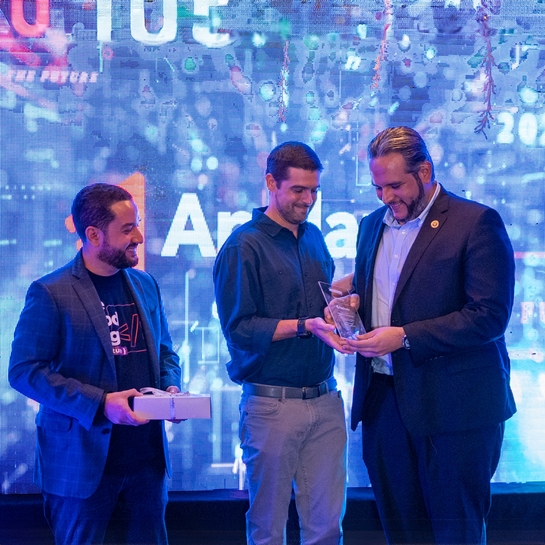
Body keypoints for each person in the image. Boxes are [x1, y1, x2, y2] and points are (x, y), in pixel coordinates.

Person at [340, 126, 516, 544]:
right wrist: (347, 309)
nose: (386, 197)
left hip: (455, 412)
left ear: (425, 171)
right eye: (378, 187)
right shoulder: (370, 226)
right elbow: (386, 296)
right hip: (384, 404)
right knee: (402, 532)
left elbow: (489, 316)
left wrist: (403, 336)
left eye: (395, 185)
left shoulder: (476, 222)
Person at [8, 183, 181, 545]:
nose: (138, 236)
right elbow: (24, 371)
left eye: (136, 224)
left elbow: (166, 352)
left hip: (146, 466)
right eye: (127, 229)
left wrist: (170, 391)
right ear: (93, 235)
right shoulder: (50, 291)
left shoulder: (146, 284)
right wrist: (101, 404)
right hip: (79, 468)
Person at [213, 141, 348, 545]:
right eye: (298, 191)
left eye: (313, 191)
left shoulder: (314, 239)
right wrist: (306, 326)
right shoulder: (243, 245)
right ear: (271, 183)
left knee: (327, 529)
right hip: (272, 406)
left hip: (326, 401)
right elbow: (240, 329)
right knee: (268, 529)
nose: (307, 200)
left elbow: (319, 305)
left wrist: (345, 301)